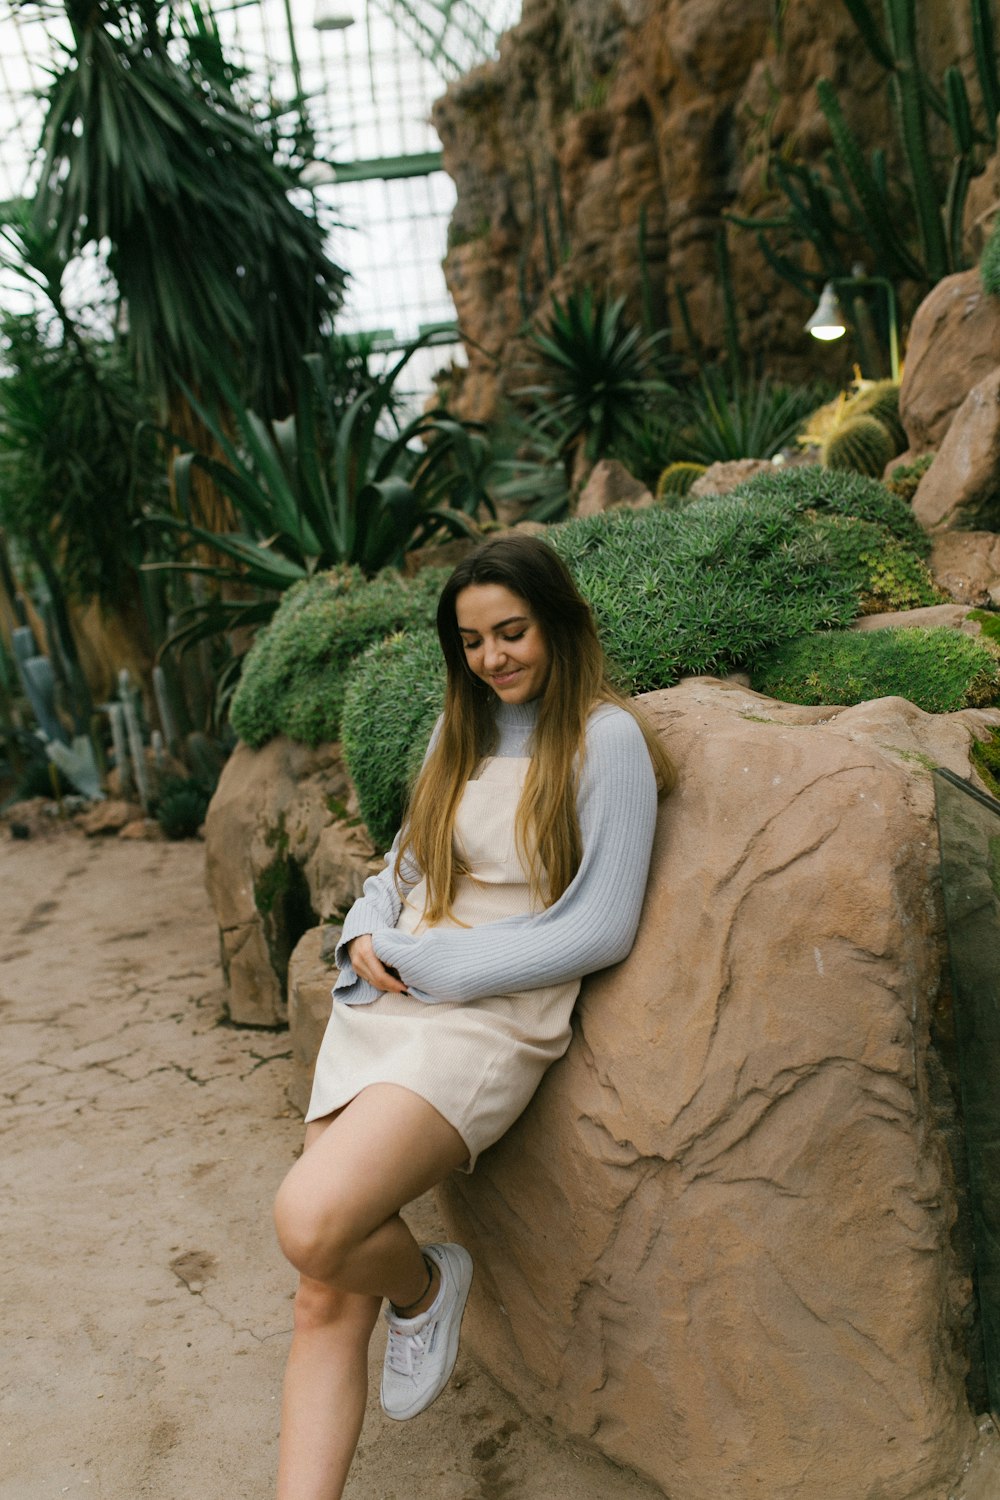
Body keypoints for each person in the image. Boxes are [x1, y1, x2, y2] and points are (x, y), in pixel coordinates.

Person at [272, 531, 675, 1500]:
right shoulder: (454, 731)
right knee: (321, 1290)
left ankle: (422, 1286)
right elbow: (402, 872)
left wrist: (442, 965)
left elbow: (603, 924)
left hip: (485, 1019)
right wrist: (364, 933)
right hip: (391, 998)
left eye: (512, 633)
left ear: (559, 625)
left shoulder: (605, 740)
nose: (492, 658)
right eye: (472, 641)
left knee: (310, 1220)